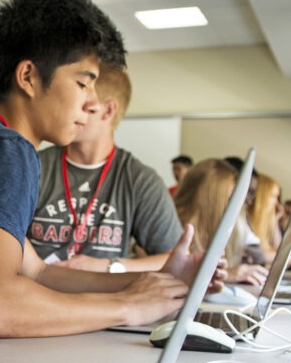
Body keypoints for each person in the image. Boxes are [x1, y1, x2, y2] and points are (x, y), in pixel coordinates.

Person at [0, 0, 213, 341]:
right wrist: (129, 306)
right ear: (28, 77)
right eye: (84, 83)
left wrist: (157, 281)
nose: (93, 101)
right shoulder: (5, 151)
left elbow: (38, 272)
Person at [30, 67, 183, 272]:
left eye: (86, 108)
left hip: (105, 300)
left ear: (108, 111)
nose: (72, 114)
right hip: (36, 294)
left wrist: (110, 266)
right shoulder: (34, 166)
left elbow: (175, 258)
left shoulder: (139, 179)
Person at [173, 158, 267, 285]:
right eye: (228, 199)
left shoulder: (210, 230)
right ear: (207, 197)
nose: (234, 208)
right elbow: (173, 276)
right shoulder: (173, 229)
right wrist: (226, 274)